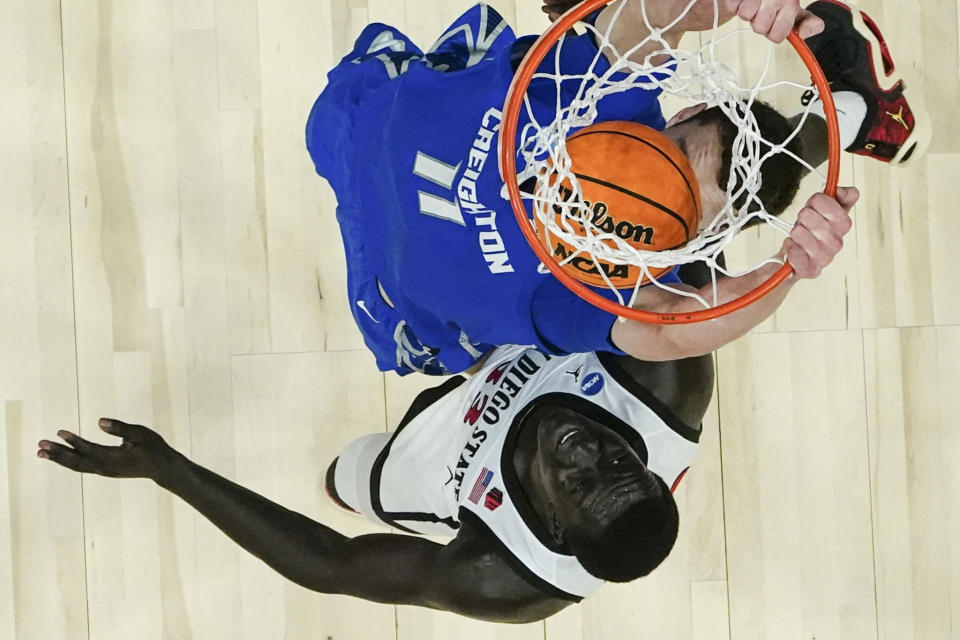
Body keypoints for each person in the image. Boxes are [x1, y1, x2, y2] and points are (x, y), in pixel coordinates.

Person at [306, 0, 922, 376]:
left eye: (684, 205)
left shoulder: (603, 283)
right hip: (363, 126)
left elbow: (673, 328)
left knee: (473, 364)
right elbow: (658, 12)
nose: (649, 184)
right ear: (679, 115)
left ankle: (850, 116)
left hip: (393, 289)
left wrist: (790, 268)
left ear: (698, 240)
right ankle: (854, 114)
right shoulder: (608, 96)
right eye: (674, 160)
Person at [37, 344, 714, 623]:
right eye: (619, 463)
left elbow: (331, 564)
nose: (585, 448)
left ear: (558, 528)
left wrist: (171, 471)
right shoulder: (665, 378)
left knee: (349, 475)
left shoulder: (501, 575)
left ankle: (362, 473)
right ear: (650, 466)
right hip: (518, 348)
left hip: (444, 462)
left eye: (580, 481)